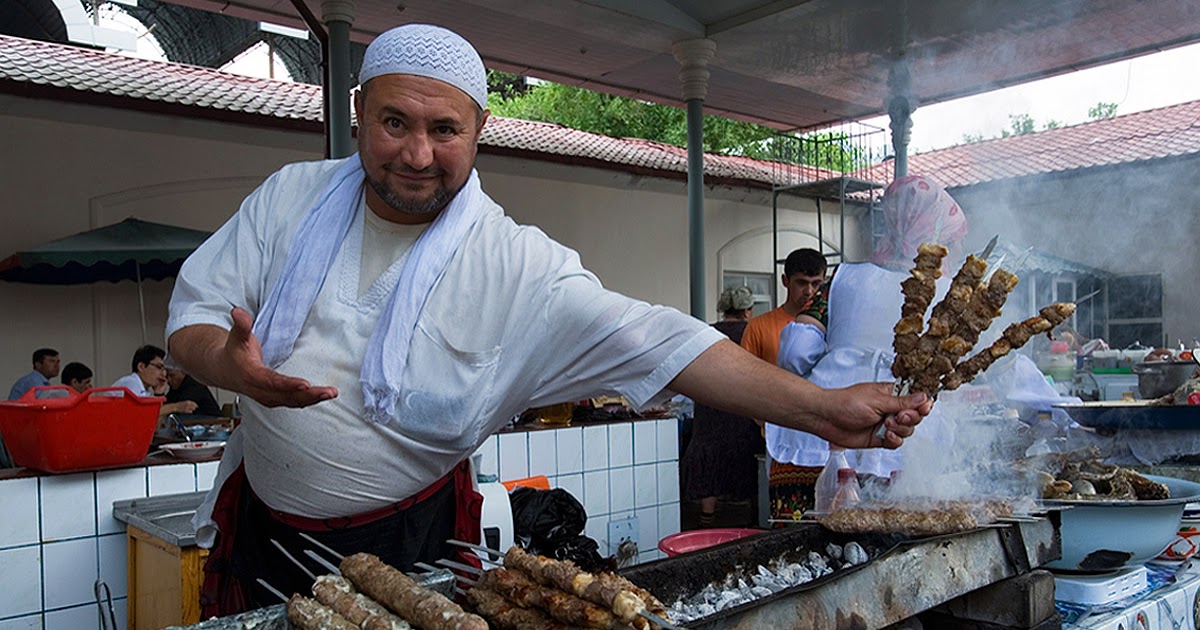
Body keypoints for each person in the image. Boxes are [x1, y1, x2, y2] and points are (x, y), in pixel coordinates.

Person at [164, 23, 931, 617]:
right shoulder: (288, 200)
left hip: (419, 543)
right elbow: (194, 317)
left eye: (446, 130)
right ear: (360, 113)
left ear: (480, 128)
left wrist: (825, 413)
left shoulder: (515, 265)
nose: (419, 154)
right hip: (265, 534)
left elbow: (660, 338)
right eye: (396, 123)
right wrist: (230, 370)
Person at [770, 175, 968, 517]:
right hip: (902, 445)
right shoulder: (952, 294)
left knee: (805, 552)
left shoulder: (843, 277)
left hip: (817, 439)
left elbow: (794, 352)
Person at [679, 286, 764, 528]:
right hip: (743, 405)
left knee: (711, 456)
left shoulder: (706, 332)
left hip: (709, 405)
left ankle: (708, 515)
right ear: (748, 311)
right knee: (745, 454)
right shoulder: (752, 331)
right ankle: (750, 515)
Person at [740, 248, 828, 368]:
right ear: (785, 281)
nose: (809, 291)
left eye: (816, 283)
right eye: (801, 283)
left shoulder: (832, 326)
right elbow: (746, 374)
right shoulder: (758, 327)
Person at [112, 345, 199, 416]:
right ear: (141, 367)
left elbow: (155, 425)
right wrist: (176, 407)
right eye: (159, 367)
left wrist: (159, 393)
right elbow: (142, 413)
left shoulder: (145, 390)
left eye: (164, 369)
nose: (163, 374)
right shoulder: (130, 382)